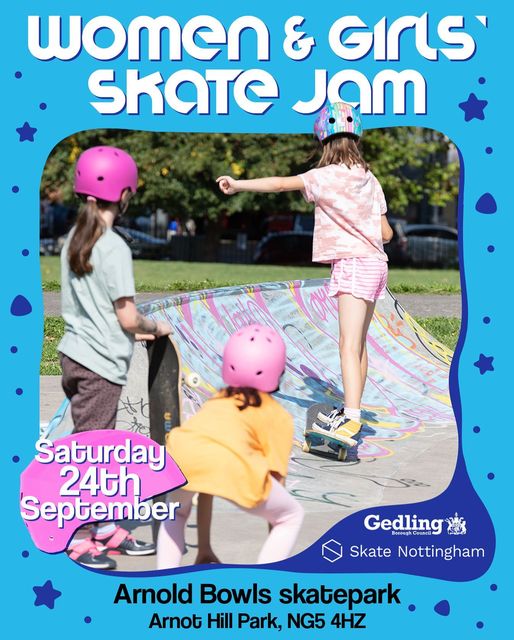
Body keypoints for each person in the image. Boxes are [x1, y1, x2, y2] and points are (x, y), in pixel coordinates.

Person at [217, 101, 393, 447]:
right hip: (376, 264)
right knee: (359, 344)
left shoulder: (323, 176)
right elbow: (386, 234)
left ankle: (352, 418)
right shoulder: (370, 179)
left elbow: (281, 185)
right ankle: (351, 408)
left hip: (353, 264)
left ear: (324, 142)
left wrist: (238, 185)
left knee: (347, 343)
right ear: (356, 137)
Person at [58, 145, 172, 569]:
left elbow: (95, 306)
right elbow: (126, 317)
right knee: (92, 452)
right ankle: (79, 536)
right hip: (98, 366)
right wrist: (155, 327)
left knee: (96, 446)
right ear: (124, 194)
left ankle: (103, 527)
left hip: (75, 355)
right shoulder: (114, 247)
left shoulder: (75, 238)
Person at [157, 324, 304, 568]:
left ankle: (160, 586)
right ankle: (268, 584)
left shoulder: (217, 401)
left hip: (179, 455)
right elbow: (277, 483)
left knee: (176, 514)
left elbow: (205, 481)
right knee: (289, 516)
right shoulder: (277, 416)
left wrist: (204, 548)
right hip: (229, 464)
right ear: (277, 371)